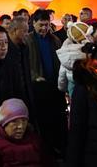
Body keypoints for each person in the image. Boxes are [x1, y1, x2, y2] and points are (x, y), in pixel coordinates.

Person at [25, 9, 65, 156]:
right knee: (41, 121)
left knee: (57, 119)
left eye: (47, 25)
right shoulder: (27, 40)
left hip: (55, 86)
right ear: (33, 23)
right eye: (41, 24)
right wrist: (34, 76)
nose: (44, 28)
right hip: (37, 87)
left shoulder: (55, 40)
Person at [0, 98, 51, 167]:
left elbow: (48, 162)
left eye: (24, 120)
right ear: (4, 124)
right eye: (14, 122)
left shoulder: (34, 139)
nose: (21, 126)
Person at [57, 21, 92, 95]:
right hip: (90, 85)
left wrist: (62, 87)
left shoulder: (66, 52)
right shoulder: (89, 50)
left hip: (72, 86)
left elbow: (62, 73)